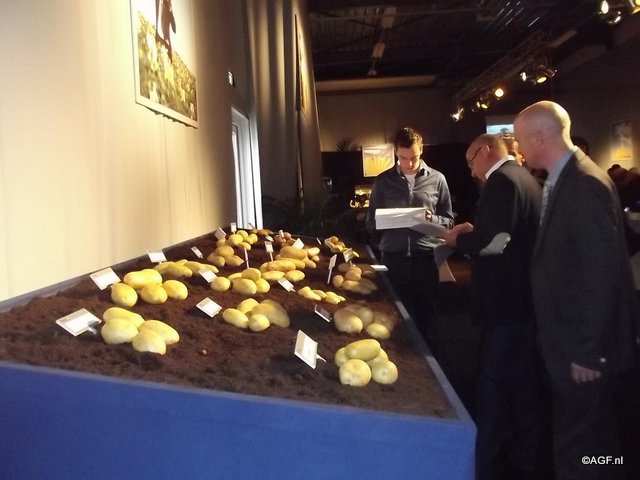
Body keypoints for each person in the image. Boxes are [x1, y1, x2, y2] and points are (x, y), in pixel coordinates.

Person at [514, 101, 638, 480]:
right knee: (590, 441)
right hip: (569, 341)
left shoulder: (584, 183)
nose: (519, 148)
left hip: (582, 350)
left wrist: (589, 352)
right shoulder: (565, 178)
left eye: (520, 140)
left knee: (583, 445)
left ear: (539, 138)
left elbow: (602, 274)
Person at [443, 134, 542, 480]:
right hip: (523, 301)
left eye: (471, 163)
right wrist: (477, 229)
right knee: (524, 382)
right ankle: (526, 452)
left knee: (492, 383)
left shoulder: (501, 181)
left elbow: (494, 243)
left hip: (502, 302)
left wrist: (459, 238)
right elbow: (507, 233)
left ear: (485, 151)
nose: (472, 172)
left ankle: (482, 459)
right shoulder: (525, 178)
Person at [365, 127, 454, 353]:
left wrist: (431, 219)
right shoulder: (383, 181)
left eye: (414, 157)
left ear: (421, 148)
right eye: (403, 158)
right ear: (395, 152)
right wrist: (384, 222)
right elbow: (370, 222)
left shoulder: (438, 179)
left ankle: (432, 363)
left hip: (425, 258)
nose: (410, 163)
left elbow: (448, 221)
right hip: (393, 259)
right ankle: (400, 361)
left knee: (428, 318)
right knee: (394, 316)